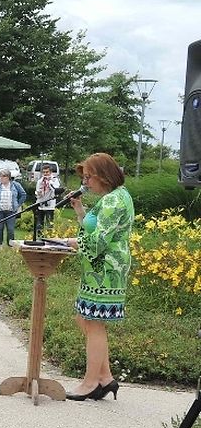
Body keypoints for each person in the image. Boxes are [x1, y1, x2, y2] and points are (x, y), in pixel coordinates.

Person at [62, 153, 134, 400]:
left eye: (88, 177)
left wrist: (69, 242)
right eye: (84, 178)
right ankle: (105, 377)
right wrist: (80, 210)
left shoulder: (114, 200)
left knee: (93, 322)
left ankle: (91, 383)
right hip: (97, 269)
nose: (85, 183)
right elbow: (94, 229)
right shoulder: (113, 197)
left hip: (106, 269)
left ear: (104, 176)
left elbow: (99, 242)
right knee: (85, 319)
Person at [0, 169, 26, 246]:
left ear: (8, 177)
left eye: (3, 177)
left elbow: (23, 194)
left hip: (11, 211)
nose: (1, 178)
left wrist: (18, 204)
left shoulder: (16, 185)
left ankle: (10, 245)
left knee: (10, 229)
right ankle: (0, 245)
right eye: (0, 177)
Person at [33, 164, 58, 233]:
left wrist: (49, 182)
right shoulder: (40, 181)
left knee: (49, 224)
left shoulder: (54, 180)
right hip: (41, 204)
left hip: (49, 205)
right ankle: (39, 237)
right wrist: (38, 194)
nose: (45, 174)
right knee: (39, 225)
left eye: (47, 172)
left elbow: (55, 190)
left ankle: (49, 237)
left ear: (50, 172)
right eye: (44, 172)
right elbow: (37, 192)